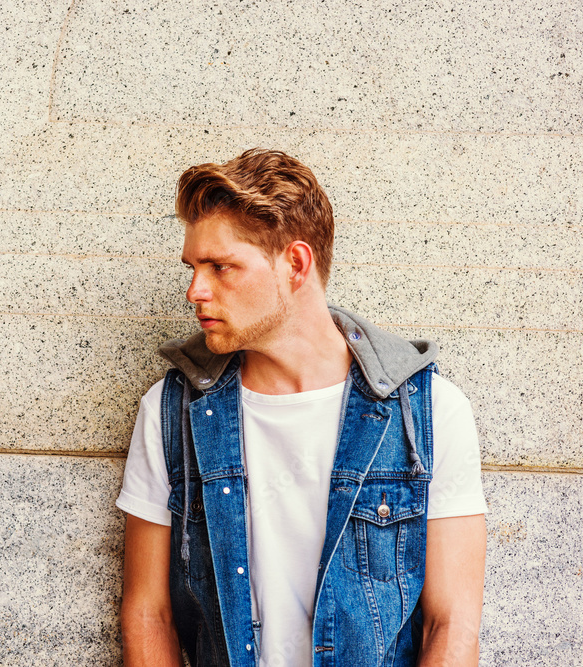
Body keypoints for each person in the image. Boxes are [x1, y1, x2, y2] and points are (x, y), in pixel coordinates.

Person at [116, 148, 487, 667]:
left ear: (295, 263)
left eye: (220, 267)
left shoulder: (427, 414)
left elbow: (450, 626)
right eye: (193, 267)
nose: (195, 290)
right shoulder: (172, 412)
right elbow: (147, 615)